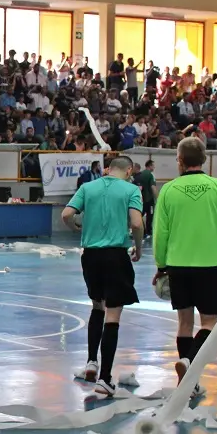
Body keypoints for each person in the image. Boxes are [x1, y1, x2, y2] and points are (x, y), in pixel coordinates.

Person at [152, 137, 217, 398]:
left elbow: (160, 233)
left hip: (177, 266)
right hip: (208, 266)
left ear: (180, 160)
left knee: (184, 323)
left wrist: (161, 266)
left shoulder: (168, 191)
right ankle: (190, 364)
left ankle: (189, 381)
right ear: (204, 160)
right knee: (210, 322)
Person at [61, 156, 144, 397]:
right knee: (113, 314)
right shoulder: (131, 190)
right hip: (116, 255)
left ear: (107, 169)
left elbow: (67, 214)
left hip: (91, 256)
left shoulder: (88, 187)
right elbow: (137, 223)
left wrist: (76, 228)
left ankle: (91, 362)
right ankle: (105, 379)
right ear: (129, 170)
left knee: (97, 305)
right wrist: (138, 249)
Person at [132, 160, 157, 235]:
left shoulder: (141, 174)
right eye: (153, 165)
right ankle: (148, 231)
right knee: (150, 216)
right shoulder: (150, 174)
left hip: (142, 200)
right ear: (149, 166)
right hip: (149, 201)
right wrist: (157, 199)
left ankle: (144, 231)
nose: (154, 167)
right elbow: (153, 187)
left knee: (141, 214)